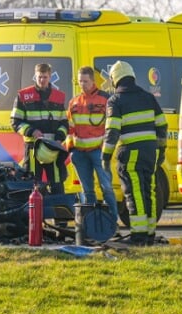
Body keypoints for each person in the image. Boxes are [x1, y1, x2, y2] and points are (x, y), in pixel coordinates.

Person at [102, 60, 167, 245]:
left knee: (134, 192)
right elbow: (162, 124)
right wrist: (161, 150)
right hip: (150, 152)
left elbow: (112, 131)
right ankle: (149, 234)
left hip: (130, 153)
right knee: (150, 191)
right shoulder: (148, 97)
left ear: (115, 79)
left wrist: (105, 156)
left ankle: (138, 236)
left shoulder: (115, 100)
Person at [66, 65, 119, 219]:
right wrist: (72, 150)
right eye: (80, 81)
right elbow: (69, 127)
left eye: (85, 81)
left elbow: (112, 125)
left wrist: (107, 148)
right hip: (80, 153)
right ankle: (93, 223)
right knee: (87, 191)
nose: (82, 84)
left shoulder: (105, 99)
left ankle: (112, 222)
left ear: (93, 81)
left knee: (107, 188)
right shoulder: (74, 102)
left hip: (99, 152)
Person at [11, 62, 68, 193]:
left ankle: (58, 209)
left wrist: (60, 137)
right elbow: (15, 122)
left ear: (50, 76)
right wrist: (31, 131)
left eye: (45, 77)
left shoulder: (58, 97)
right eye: (39, 77)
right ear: (35, 76)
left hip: (53, 147)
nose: (42, 80)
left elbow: (64, 123)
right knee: (32, 183)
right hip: (33, 148)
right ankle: (34, 212)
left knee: (57, 182)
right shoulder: (23, 96)